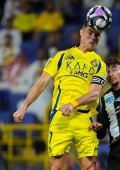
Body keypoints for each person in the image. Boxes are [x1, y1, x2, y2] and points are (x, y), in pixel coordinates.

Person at [13, 21, 107, 170]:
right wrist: (24, 107)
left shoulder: (100, 64)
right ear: (81, 32)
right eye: (90, 32)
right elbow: (41, 83)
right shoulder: (61, 56)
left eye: (97, 35)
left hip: (85, 120)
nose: (93, 37)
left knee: (90, 166)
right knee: (56, 167)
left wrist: (73, 104)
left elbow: (94, 93)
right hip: (60, 117)